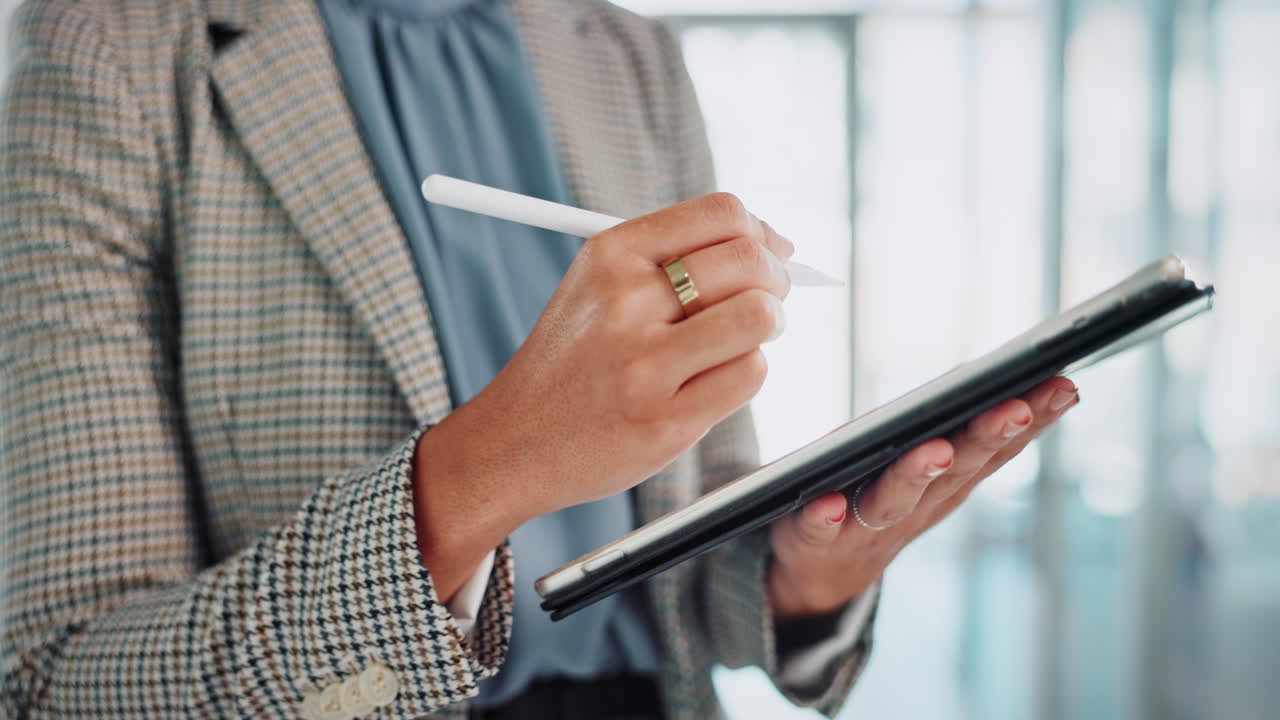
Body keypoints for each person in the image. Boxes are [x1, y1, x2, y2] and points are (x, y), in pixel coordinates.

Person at [0, 1, 1080, 718]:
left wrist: (813, 573)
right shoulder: (118, 48)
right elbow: (55, 679)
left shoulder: (626, 55)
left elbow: (697, 543)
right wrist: (495, 463)